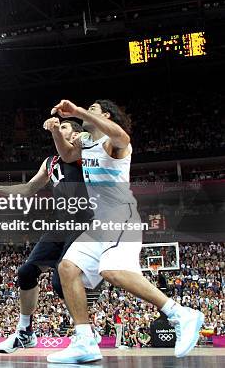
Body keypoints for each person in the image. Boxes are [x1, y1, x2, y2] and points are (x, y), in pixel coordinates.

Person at [45, 99, 204, 363]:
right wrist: (54, 132)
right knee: (67, 268)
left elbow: (123, 135)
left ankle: (180, 313)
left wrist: (78, 111)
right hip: (100, 222)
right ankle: (85, 341)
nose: (87, 111)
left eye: (93, 109)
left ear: (106, 115)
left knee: (112, 271)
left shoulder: (114, 143)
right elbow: (67, 156)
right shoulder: (87, 142)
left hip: (121, 217)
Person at [0, 120, 97, 354]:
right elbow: (29, 188)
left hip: (84, 222)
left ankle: (85, 333)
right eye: (61, 127)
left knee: (59, 281)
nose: (60, 130)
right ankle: (25, 333)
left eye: (66, 128)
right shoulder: (50, 162)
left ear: (76, 134)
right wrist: (3, 190)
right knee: (26, 272)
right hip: (58, 225)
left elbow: (69, 152)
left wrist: (60, 130)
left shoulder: (82, 152)